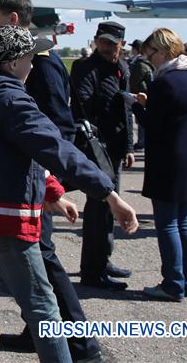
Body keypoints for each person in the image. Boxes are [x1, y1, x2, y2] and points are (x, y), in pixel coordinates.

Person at [0, 25, 137, 363]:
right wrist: (108, 194)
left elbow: (21, 156)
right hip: (6, 220)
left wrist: (53, 192)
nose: (33, 63)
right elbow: (58, 150)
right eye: (29, 56)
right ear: (12, 63)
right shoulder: (13, 100)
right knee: (44, 308)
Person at [0, 0, 101, 362]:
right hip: (20, 184)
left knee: (45, 261)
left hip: (35, 185)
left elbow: (57, 130)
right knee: (28, 269)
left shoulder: (42, 65)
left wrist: (50, 186)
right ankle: (36, 332)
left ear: (13, 20)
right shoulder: (12, 62)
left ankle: (82, 345)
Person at [131, 28, 187, 301]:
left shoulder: (164, 82)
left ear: (161, 52)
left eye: (150, 53)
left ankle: (173, 282)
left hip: (168, 162)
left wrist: (137, 107)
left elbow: (154, 125)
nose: (149, 58)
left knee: (168, 225)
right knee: (184, 222)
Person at [70, 21, 135, 291]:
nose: (107, 47)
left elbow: (126, 112)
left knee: (110, 210)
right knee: (98, 210)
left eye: (113, 43)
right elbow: (83, 108)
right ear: (96, 41)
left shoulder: (122, 67)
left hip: (117, 149)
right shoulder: (86, 68)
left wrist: (129, 146)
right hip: (99, 151)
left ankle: (103, 261)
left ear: (122, 43)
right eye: (103, 42)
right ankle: (92, 271)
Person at [128, 39, 153, 150]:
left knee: (142, 121)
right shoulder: (141, 62)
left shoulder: (140, 64)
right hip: (142, 94)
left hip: (141, 94)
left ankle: (142, 142)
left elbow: (134, 80)